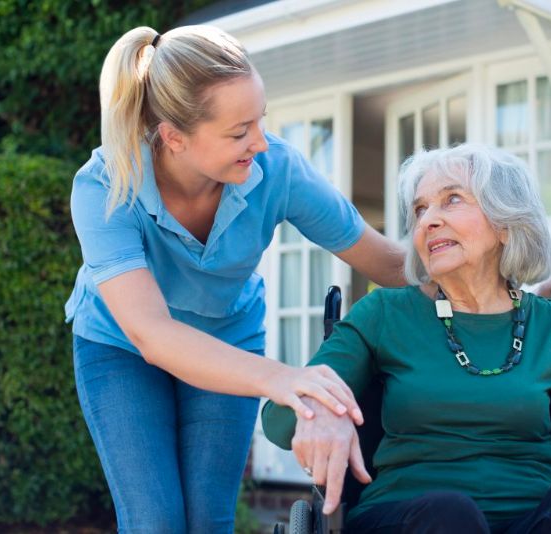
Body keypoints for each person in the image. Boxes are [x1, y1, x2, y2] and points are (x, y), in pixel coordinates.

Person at [65, 25, 407, 533]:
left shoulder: (277, 168)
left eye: (259, 121)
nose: (259, 141)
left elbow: (385, 261)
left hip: (227, 332)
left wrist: (482, 279)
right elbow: (152, 335)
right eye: (238, 131)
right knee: (156, 520)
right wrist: (284, 379)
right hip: (122, 348)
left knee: (208, 520)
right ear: (174, 136)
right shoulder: (105, 188)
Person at [262, 143, 551, 534]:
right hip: (413, 518)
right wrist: (321, 407)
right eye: (420, 210)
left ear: (505, 224)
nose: (429, 221)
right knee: (449, 513)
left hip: (534, 517)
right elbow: (280, 423)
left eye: (451, 200)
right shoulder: (385, 314)